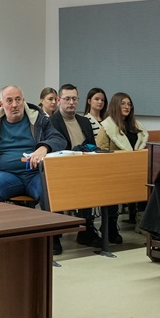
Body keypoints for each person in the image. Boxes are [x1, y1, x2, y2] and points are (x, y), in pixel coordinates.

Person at [0, 85, 67, 210]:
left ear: (23, 101)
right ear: (1, 104)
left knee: (50, 193)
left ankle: (53, 229)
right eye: (9, 100)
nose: (14, 105)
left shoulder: (39, 121)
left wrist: (44, 147)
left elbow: (59, 139)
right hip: (5, 175)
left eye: (18, 99)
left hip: (35, 174)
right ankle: (1, 228)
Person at [48, 83, 103, 246]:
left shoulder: (84, 121)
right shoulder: (51, 122)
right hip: (60, 170)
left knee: (101, 182)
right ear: (59, 100)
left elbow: (93, 146)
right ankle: (55, 235)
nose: (71, 102)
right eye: (67, 99)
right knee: (56, 186)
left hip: (85, 168)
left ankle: (87, 229)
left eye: (74, 99)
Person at [94, 92, 151, 244]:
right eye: (123, 104)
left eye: (129, 104)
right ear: (115, 106)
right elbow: (101, 151)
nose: (127, 107)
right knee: (112, 193)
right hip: (114, 172)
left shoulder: (136, 126)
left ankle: (145, 224)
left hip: (135, 171)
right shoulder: (106, 127)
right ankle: (111, 226)